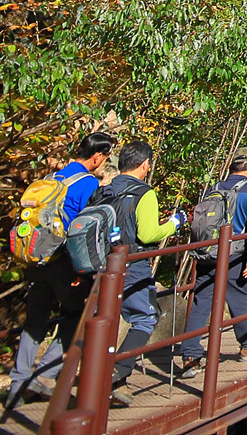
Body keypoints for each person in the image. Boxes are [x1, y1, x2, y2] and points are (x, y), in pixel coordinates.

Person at [3, 131, 117, 413]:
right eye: (105, 158)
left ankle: (17, 385)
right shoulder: (88, 184)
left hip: (36, 260)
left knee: (35, 321)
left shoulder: (51, 179)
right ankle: (44, 374)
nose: (104, 163)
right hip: (62, 261)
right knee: (76, 314)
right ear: (97, 157)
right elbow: (84, 227)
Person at [88, 141, 183, 389]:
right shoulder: (144, 193)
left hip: (101, 264)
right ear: (145, 165)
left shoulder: (102, 191)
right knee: (145, 318)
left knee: (104, 320)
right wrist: (174, 224)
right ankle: (116, 373)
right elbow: (149, 234)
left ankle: (98, 375)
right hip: (132, 264)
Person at [173, 148, 247, 378]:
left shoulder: (214, 187)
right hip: (234, 253)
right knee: (239, 295)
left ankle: (190, 355)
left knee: (201, 302)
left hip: (207, 252)